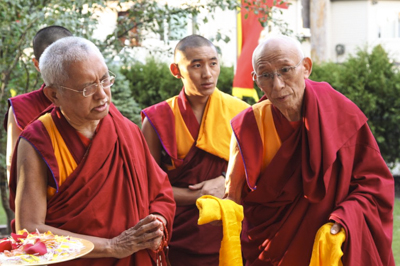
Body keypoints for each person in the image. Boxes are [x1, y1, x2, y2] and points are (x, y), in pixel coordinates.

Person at [225, 35, 395, 266]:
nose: (277, 85)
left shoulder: (340, 113)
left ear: (306, 67)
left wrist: (344, 219)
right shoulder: (248, 125)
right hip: (267, 249)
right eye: (266, 75)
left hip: (324, 247)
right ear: (256, 79)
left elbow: (375, 185)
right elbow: (233, 195)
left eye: (285, 70)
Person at [9, 36, 176, 266]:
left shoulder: (125, 131)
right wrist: (113, 246)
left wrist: (155, 224)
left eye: (105, 80)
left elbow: (160, 193)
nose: (102, 94)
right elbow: (29, 229)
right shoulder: (39, 141)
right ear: (54, 95)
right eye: (87, 88)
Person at [141, 35, 249, 266]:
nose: (207, 73)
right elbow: (146, 187)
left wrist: (224, 181)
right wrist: (198, 196)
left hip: (228, 226)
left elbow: (257, 173)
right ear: (175, 69)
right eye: (196, 65)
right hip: (178, 233)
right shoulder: (157, 119)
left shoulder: (241, 113)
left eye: (213, 63)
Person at [4, 25, 72, 182]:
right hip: (40, 198)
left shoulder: (91, 98)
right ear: (36, 64)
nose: (60, 69)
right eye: (51, 63)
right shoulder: (21, 107)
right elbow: (12, 165)